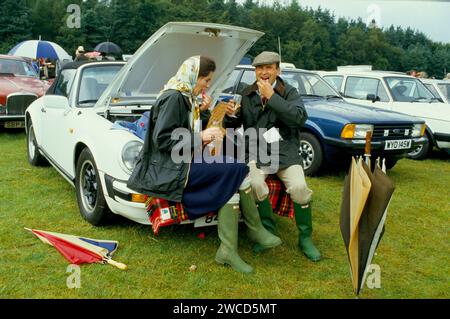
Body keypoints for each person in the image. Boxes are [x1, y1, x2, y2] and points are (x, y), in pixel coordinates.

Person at [127, 56, 281, 273]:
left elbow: (185, 131)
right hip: (171, 170)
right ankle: (254, 229)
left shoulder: (184, 96)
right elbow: (162, 140)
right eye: (206, 80)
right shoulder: (174, 98)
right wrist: (200, 137)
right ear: (193, 76)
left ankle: (228, 250)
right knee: (238, 169)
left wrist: (205, 115)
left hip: (182, 162)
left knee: (233, 175)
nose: (208, 85)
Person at [225, 51, 321, 262]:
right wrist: (230, 115)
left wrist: (272, 97)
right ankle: (267, 231)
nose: (264, 72)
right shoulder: (247, 93)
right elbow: (236, 125)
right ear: (255, 71)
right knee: (255, 183)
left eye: (269, 67)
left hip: (285, 153)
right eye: (260, 68)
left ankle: (305, 239)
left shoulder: (289, 92)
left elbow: (298, 119)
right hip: (257, 153)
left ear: (278, 70)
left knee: (299, 188)